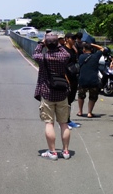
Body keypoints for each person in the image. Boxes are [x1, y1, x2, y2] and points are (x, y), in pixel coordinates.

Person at [33, 32, 72, 160]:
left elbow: (35, 54)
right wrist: (58, 43)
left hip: (47, 92)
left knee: (49, 124)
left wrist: (41, 43)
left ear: (46, 44)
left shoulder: (43, 58)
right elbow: (66, 52)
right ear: (57, 43)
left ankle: (53, 152)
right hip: (62, 92)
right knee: (64, 123)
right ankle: (66, 151)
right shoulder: (64, 56)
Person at [76, 41, 104, 118]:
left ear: (84, 49)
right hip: (93, 80)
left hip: (83, 79)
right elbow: (102, 49)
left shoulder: (81, 57)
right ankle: (89, 113)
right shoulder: (96, 56)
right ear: (91, 49)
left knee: (81, 96)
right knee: (92, 97)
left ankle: (80, 111)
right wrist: (93, 44)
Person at [62, 33, 81, 129]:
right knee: (65, 101)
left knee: (70, 100)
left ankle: (68, 120)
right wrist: (66, 78)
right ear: (66, 39)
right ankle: (64, 121)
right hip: (67, 78)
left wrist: (74, 48)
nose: (74, 39)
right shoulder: (63, 50)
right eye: (72, 38)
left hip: (74, 77)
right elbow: (62, 66)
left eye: (74, 38)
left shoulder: (73, 50)